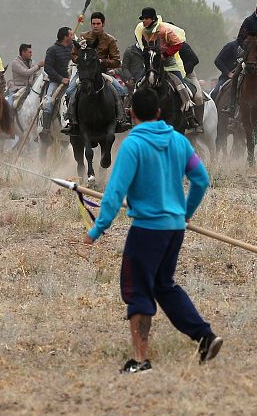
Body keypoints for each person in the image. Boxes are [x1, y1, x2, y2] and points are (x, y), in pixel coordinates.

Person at [82, 88, 222, 373]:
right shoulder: (179, 141)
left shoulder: (132, 145)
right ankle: (205, 336)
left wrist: (96, 229)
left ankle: (140, 360)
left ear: (131, 114)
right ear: (159, 113)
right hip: (174, 229)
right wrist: (184, 213)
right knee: (163, 286)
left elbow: (114, 192)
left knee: (137, 290)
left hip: (147, 230)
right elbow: (201, 179)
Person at [133, 7, 201, 132]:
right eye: (143, 19)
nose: (144, 21)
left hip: (169, 65)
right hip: (153, 65)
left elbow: (178, 43)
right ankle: (132, 113)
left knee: (182, 87)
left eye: (146, 19)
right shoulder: (144, 32)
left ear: (153, 19)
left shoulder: (164, 30)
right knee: (138, 84)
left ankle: (189, 115)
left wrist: (165, 54)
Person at [62, 11, 130, 135]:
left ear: (103, 24)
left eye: (98, 23)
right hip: (84, 73)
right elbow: (73, 54)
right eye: (93, 23)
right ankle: (71, 121)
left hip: (102, 73)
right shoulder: (83, 37)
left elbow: (116, 61)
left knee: (120, 90)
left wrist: (102, 61)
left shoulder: (110, 40)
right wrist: (81, 60)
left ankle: (120, 120)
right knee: (70, 91)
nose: (95, 26)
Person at [41, 26, 74, 134]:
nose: (73, 36)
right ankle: (45, 129)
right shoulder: (52, 50)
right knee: (49, 102)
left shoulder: (74, 48)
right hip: (56, 82)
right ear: (65, 37)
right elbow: (48, 67)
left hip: (73, 80)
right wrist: (61, 78)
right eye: (71, 35)